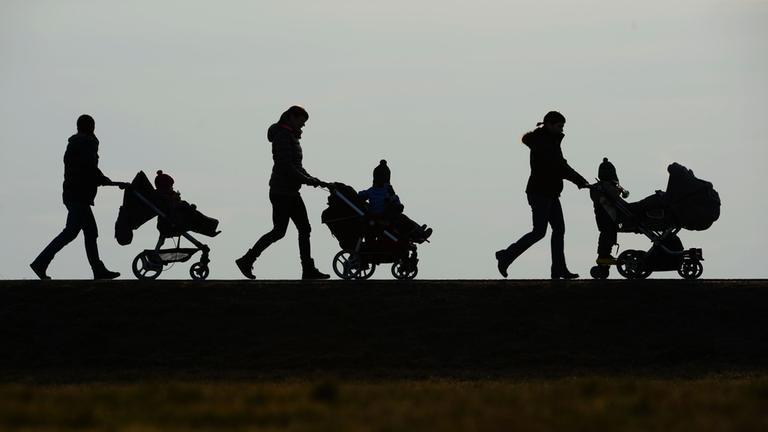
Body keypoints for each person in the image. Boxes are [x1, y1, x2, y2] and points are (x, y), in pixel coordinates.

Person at [235, 106, 330, 280]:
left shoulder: (290, 137)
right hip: (282, 192)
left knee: (303, 228)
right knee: (280, 231)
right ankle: (247, 260)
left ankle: (307, 269)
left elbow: (296, 166)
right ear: (291, 118)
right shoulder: (283, 137)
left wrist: (312, 179)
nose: (303, 125)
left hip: (290, 191)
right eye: (301, 121)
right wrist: (308, 180)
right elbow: (286, 166)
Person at [495, 111, 590, 279]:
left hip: (550, 192)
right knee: (539, 231)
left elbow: (560, 164)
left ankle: (559, 269)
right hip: (540, 192)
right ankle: (506, 255)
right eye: (559, 126)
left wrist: (579, 180)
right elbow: (559, 166)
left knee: (558, 229)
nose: (562, 130)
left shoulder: (549, 141)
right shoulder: (543, 142)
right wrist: (579, 180)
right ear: (549, 124)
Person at [30, 114, 121, 280]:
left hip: (73, 193)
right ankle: (41, 262)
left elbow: (84, 168)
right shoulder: (87, 143)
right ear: (90, 127)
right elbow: (88, 168)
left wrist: (102, 180)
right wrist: (104, 180)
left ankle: (97, 269)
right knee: (74, 232)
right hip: (79, 195)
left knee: (86, 232)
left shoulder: (74, 144)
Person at [357, 160, 433, 243]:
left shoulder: (371, 191)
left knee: (402, 218)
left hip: (378, 215)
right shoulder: (388, 190)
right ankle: (418, 233)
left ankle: (418, 231)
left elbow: (360, 195)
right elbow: (396, 201)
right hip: (384, 216)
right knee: (403, 218)